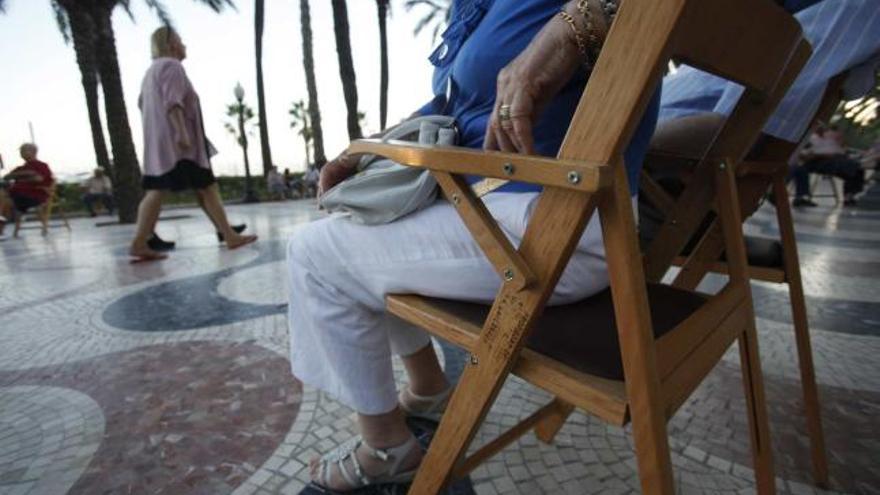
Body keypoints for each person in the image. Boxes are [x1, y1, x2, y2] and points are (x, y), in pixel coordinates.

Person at [286, 0, 659, 491]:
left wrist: (573, 26)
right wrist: (366, 149)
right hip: (527, 209)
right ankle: (429, 390)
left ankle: (385, 448)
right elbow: (455, 107)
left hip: (551, 223)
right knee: (371, 226)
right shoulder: (481, 9)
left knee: (316, 254)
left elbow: (660, 16)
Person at [655, 0, 880, 202]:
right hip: (658, 152)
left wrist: (628, 138)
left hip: (652, 173)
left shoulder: (829, 18)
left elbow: (729, 132)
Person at [129, 27, 256, 262]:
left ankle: (227, 234)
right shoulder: (172, 66)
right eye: (181, 40)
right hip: (179, 147)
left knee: (188, 188)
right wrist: (181, 133)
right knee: (201, 187)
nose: (185, 45)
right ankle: (139, 242)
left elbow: (141, 104)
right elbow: (173, 102)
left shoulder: (151, 71)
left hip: (160, 144)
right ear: (172, 44)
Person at [791, 124, 866, 206]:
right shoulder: (810, 138)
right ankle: (801, 197)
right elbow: (802, 154)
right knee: (851, 167)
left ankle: (849, 195)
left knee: (855, 167)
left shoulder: (830, 137)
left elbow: (842, 147)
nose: (822, 128)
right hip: (818, 161)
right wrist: (818, 155)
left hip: (836, 159)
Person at [0, 143, 54, 238]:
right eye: (21, 151)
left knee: (4, 201)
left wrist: (21, 176)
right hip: (18, 196)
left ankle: (1, 230)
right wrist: (27, 174)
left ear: (34, 152)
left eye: (24, 151)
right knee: (3, 199)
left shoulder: (42, 165)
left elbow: (39, 179)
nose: (21, 153)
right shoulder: (22, 168)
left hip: (35, 195)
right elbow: (7, 177)